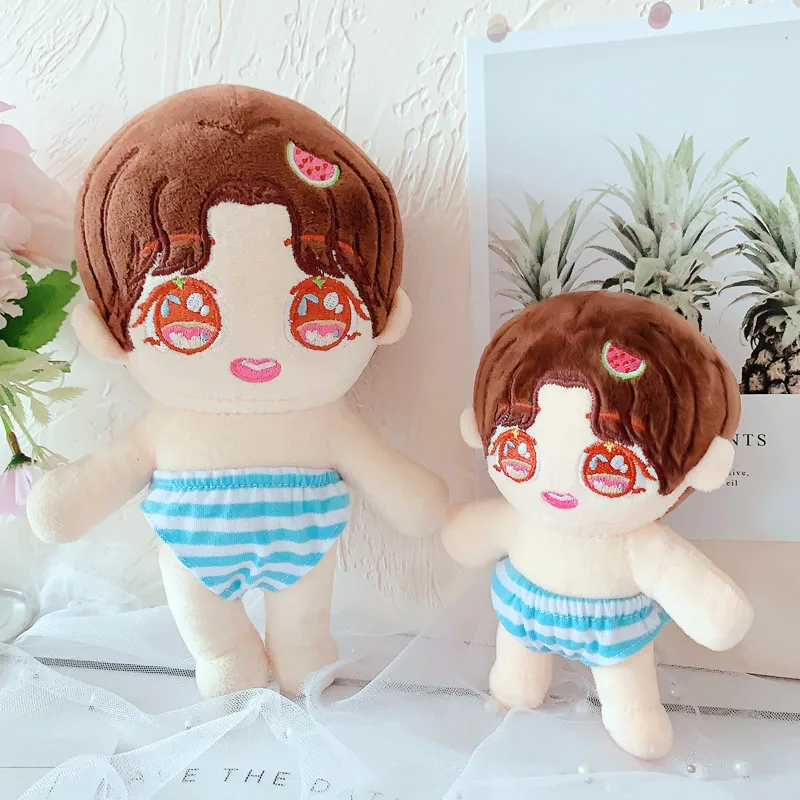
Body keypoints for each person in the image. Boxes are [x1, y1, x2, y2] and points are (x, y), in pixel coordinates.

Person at [28, 84, 448, 699]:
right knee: (216, 640)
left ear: (386, 318)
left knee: (303, 633)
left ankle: (301, 649)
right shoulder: (168, 426)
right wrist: (63, 503)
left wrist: (419, 503)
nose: (256, 350)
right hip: (195, 555)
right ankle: (224, 654)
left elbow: (409, 497)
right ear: (107, 331)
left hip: (304, 550)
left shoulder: (324, 420)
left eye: (319, 307)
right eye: (185, 311)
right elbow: (101, 479)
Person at [443, 291, 753, 759]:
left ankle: (631, 712)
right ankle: (516, 684)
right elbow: (466, 536)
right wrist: (457, 532)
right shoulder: (522, 520)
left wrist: (717, 613)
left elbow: (697, 596)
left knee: (627, 689)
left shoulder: (638, 543)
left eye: (610, 465)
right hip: (524, 618)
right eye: (519, 452)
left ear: (699, 468)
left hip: (614, 636)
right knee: (516, 675)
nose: (558, 484)